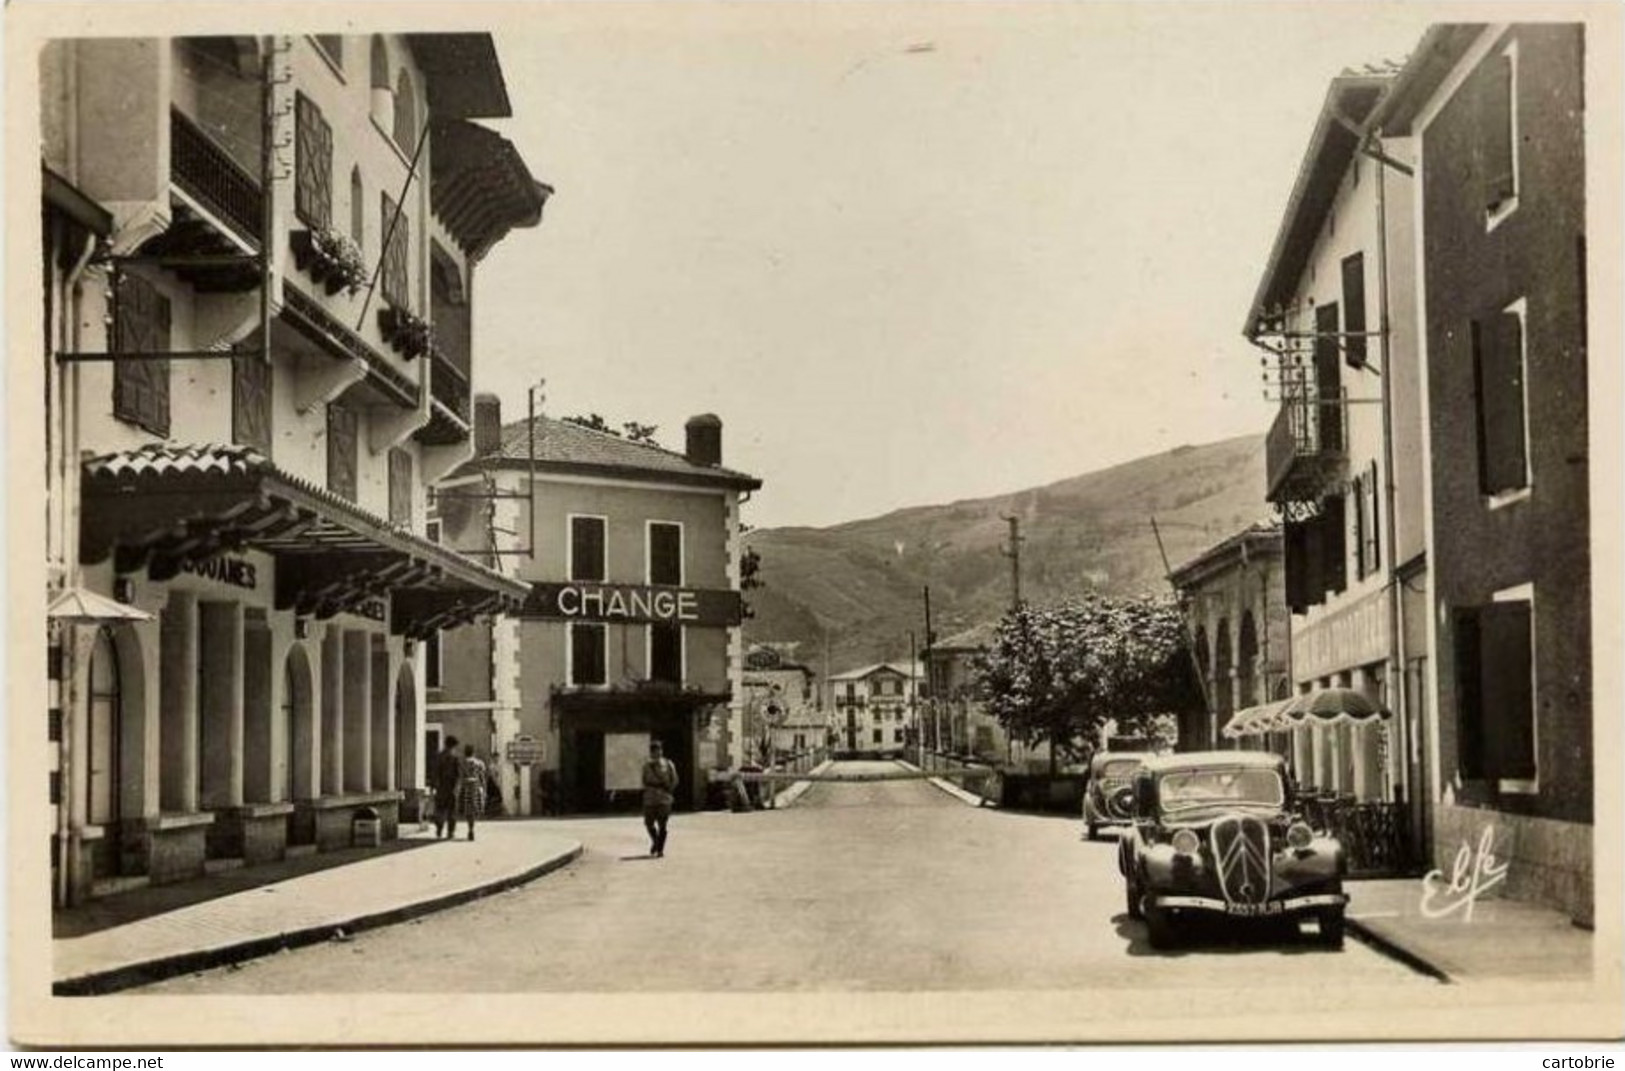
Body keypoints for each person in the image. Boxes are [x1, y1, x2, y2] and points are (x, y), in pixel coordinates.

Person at [641, 740, 679, 858]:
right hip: (650, 798)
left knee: (663, 824)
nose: (657, 753)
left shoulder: (668, 764)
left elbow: (675, 780)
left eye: (659, 750)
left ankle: (660, 849)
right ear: (651, 753)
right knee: (649, 824)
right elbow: (644, 781)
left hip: (664, 799)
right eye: (655, 751)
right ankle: (656, 841)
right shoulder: (646, 766)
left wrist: (668, 791)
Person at [431, 736, 464, 840]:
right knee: (451, 811)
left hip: (441, 787)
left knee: (440, 809)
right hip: (451, 787)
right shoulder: (455, 758)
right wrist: (457, 788)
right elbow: (458, 774)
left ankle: (439, 829)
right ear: (453, 746)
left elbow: (435, 773)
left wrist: (434, 786)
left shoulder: (439, 756)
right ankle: (450, 832)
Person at [459, 743, 489, 842]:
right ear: (473, 752)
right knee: (475, 808)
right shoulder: (480, 763)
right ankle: (472, 828)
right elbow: (482, 778)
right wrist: (484, 790)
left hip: (466, 787)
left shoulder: (463, 763)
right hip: (476, 787)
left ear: (465, 752)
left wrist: (460, 789)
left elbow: (461, 777)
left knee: (468, 810)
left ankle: (470, 828)